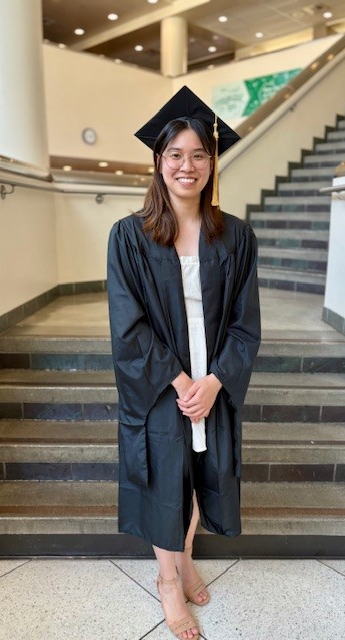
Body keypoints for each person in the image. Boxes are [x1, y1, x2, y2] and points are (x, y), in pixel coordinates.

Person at [107, 86, 261, 640]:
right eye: (176, 155)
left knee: (198, 479)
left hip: (212, 380)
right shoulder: (129, 237)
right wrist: (180, 382)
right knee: (166, 479)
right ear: (158, 162)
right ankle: (168, 580)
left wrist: (216, 381)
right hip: (163, 385)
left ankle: (187, 558)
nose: (187, 166)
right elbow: (128, 325)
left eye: (199, 154)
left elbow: (246, 322)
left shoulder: (236, 236)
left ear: (211, 162)